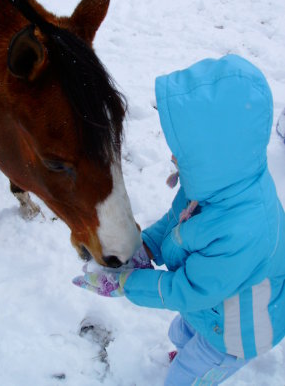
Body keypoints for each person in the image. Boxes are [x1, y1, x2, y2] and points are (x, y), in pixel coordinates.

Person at [73, 54, 285, 385]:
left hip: (236, 331)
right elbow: (176, 219)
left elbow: (188, 291)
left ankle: (196, 372)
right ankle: (189, 355)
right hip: (213, 304)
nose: (172, 155)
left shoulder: (245, 229)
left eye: (183, 151)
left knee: (183, 378)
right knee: (182, 332)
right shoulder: (212, 182)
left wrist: (127, 285)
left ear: (216, 155)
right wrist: (146, 248)